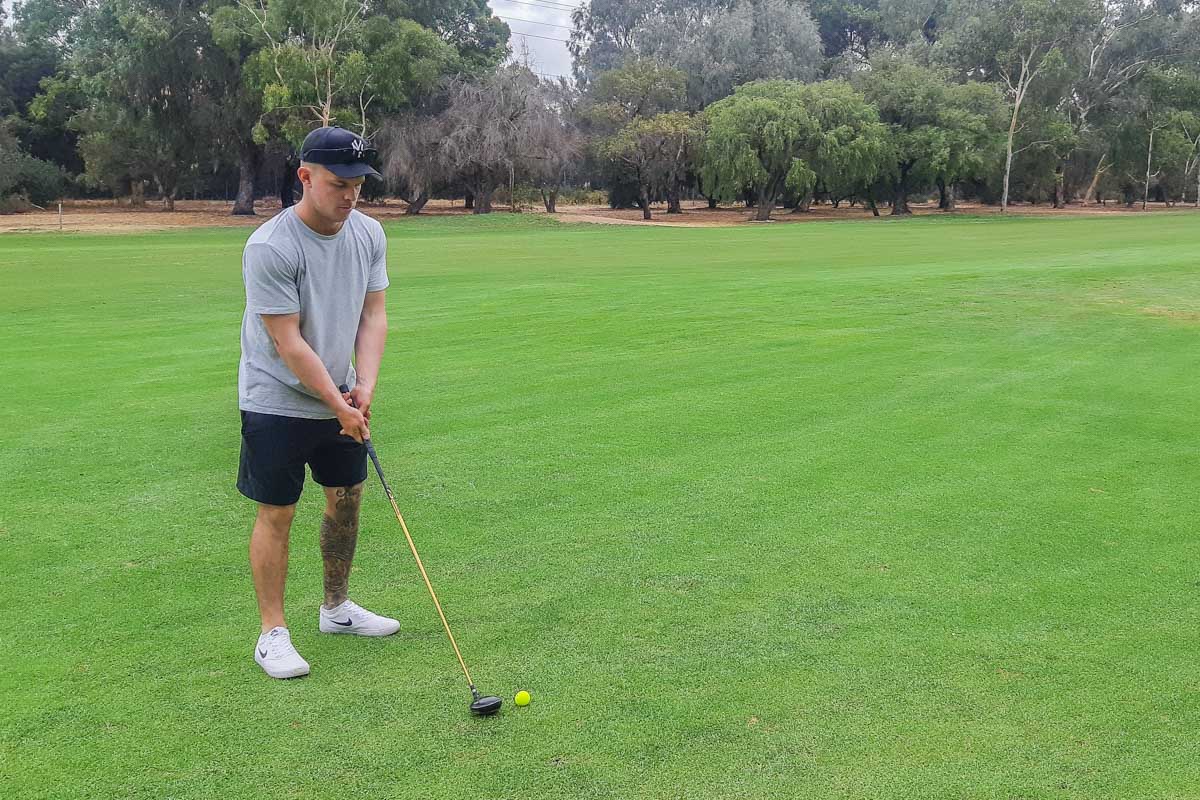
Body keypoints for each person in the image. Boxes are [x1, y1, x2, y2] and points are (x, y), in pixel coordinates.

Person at [237, 126, 397, 679]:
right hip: (276, 399)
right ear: (304, 177)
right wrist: (338, 403)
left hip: (341, 395)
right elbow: (288, 341)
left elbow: (372, 315)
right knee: (278, 511)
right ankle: (272, 633)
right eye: (338, 183)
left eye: (358, 183)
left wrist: (365, 388)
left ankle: (336, 609)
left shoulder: (369, 234)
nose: (350, 195)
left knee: (346, 499)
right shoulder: (271, 246)